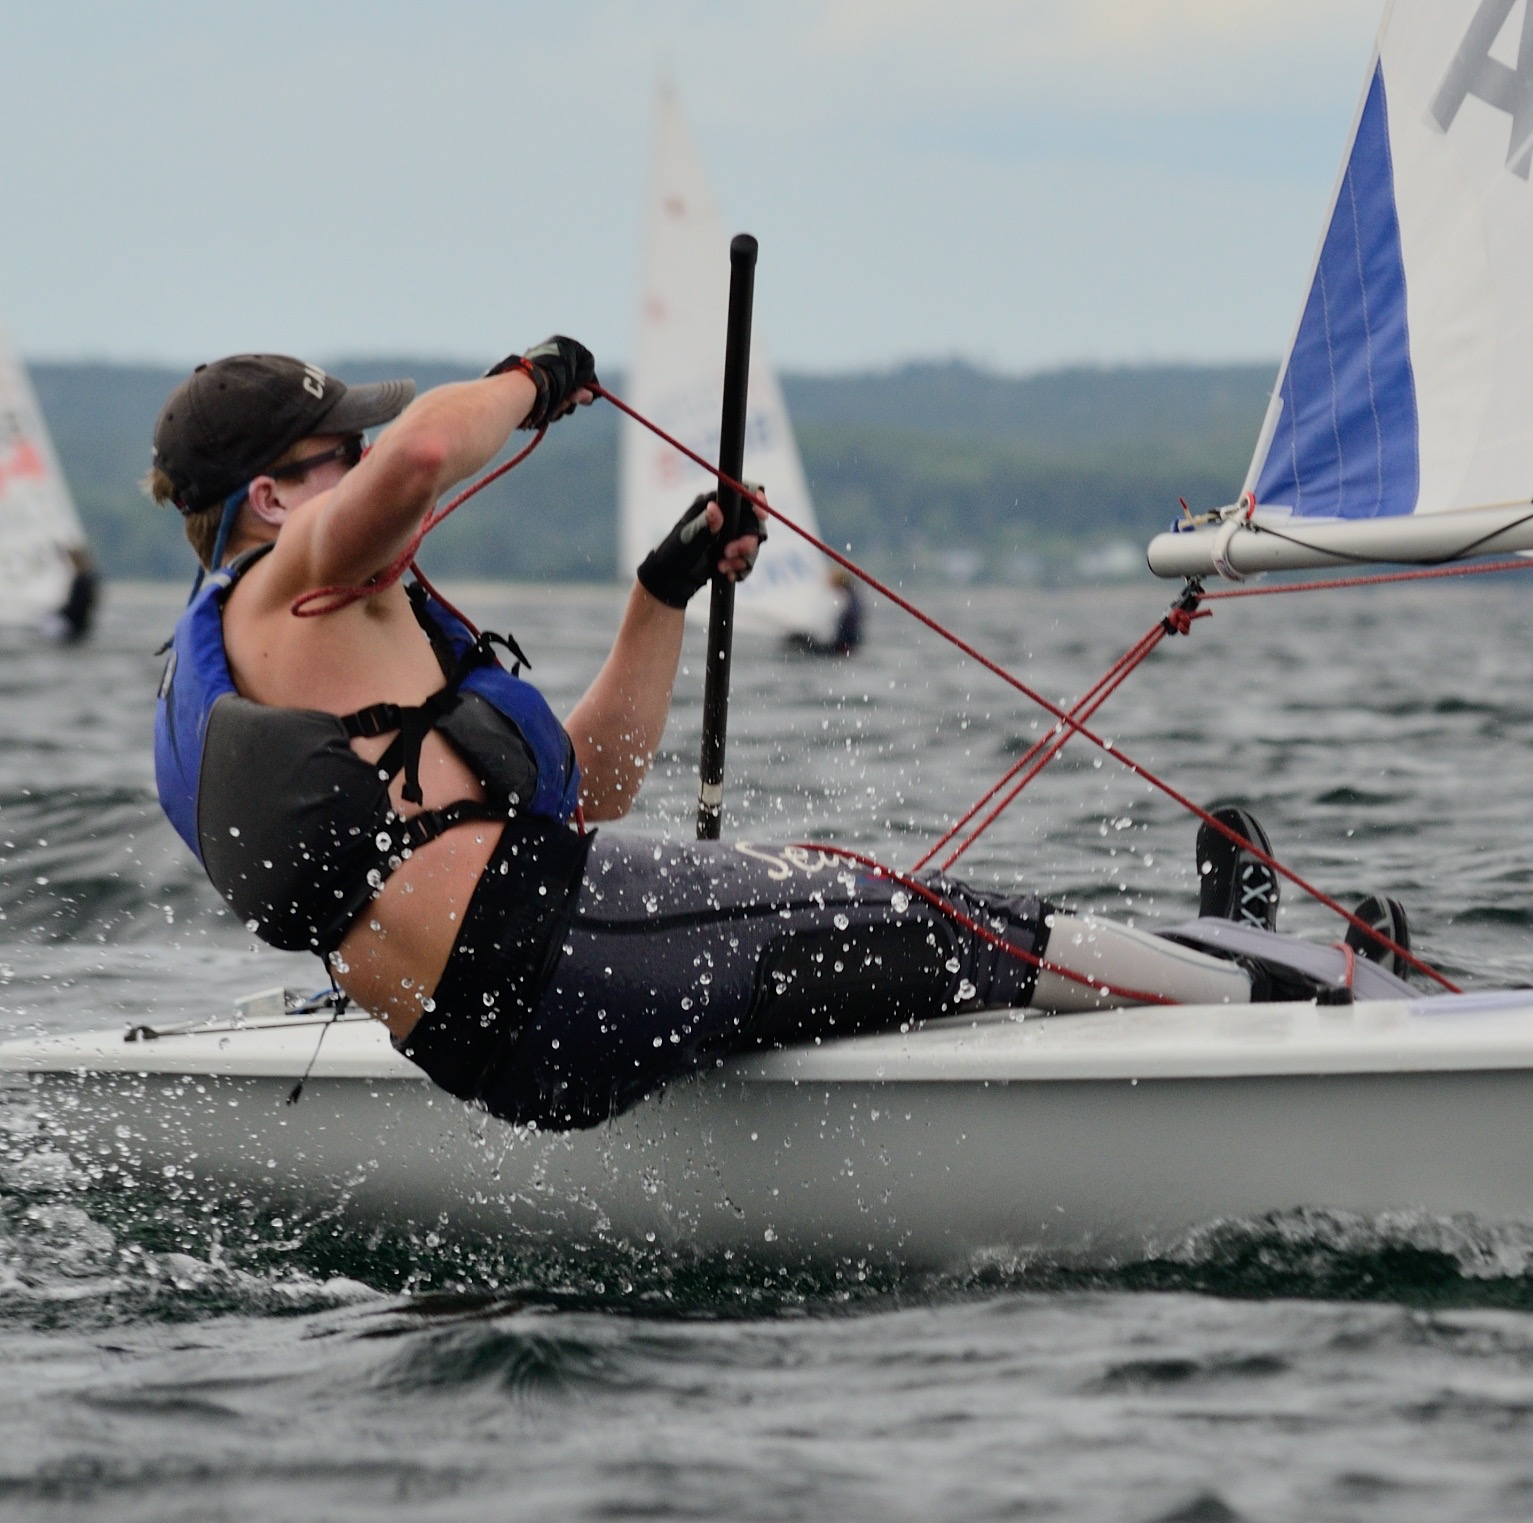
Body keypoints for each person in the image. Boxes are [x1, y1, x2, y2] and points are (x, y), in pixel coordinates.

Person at [148, 344, 1414, 1130]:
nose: (370, 461)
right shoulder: (288, 592)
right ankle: (1313, 995)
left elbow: (591, 791)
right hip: (556, 957)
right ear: (270, 497)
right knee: (949, 924)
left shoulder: (320, 659)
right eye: (343, 453)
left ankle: (1218, 952)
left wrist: (660, 595)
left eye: (362, 446)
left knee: (907, 955)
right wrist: (535, 378)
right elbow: (431, 448)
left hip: (510, 1031)